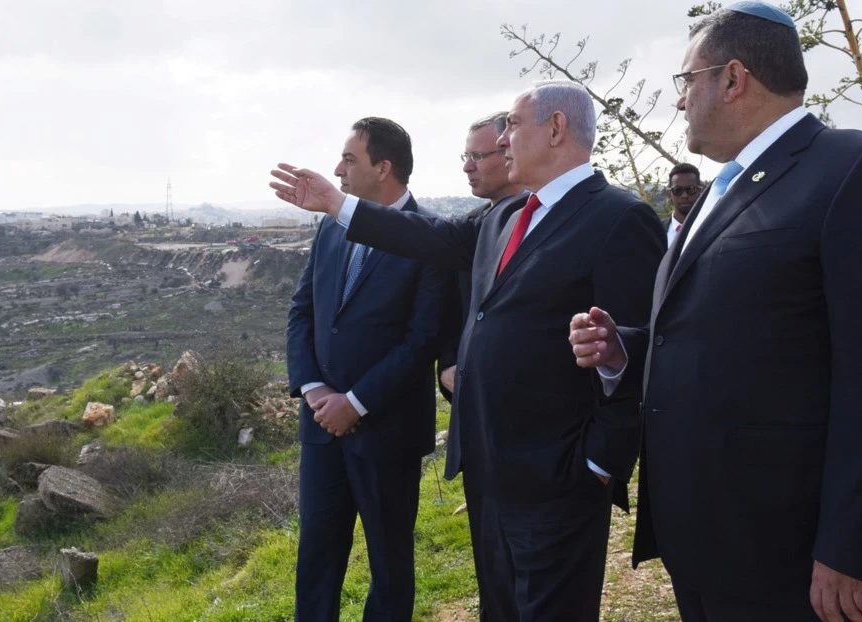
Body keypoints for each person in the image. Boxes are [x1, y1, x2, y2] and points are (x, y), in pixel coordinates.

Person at [568, 3, 862, 621]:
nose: (679, 101)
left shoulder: (855, 168)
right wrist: (625, 348)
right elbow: (716, 331)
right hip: (707, 535)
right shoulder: (721, 188)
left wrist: (853, 545)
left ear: (733, 77)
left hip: (791, 548)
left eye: (685, 82)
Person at [272, 80, 665, 621]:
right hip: (489, 469)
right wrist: (338, 205)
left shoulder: (619, 217)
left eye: (512, 126)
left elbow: (638, 350)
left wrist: (602, 462)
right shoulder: (503, 217)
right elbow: (427, 238)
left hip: (560, 474)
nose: (502, 139)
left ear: (555, 129)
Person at [286, 117, 448, 621]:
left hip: (387, 432)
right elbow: (303, 311)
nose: (338, 169)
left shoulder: (433, 238)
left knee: (390, 563)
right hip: (321, 429)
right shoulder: (332, 229)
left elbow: (422, 341)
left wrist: (353, 402)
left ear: (384, 167)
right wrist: (315, 392)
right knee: (316, 557)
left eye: (349, 159)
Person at [436, 111, 526, 620]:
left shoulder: (571, 220)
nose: (468, 167)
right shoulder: (473, 227)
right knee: (494, 577)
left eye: (478, 156)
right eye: (464, 156)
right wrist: (448, 364)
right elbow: (451, 313)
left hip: (542, 439)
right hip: (478, 428)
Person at [663, 162, 702, 247]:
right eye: (677, 190)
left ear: (700, 191)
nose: (684, 196)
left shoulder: (713, 227)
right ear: (669, 194)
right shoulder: (658, 231)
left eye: (691, 189)